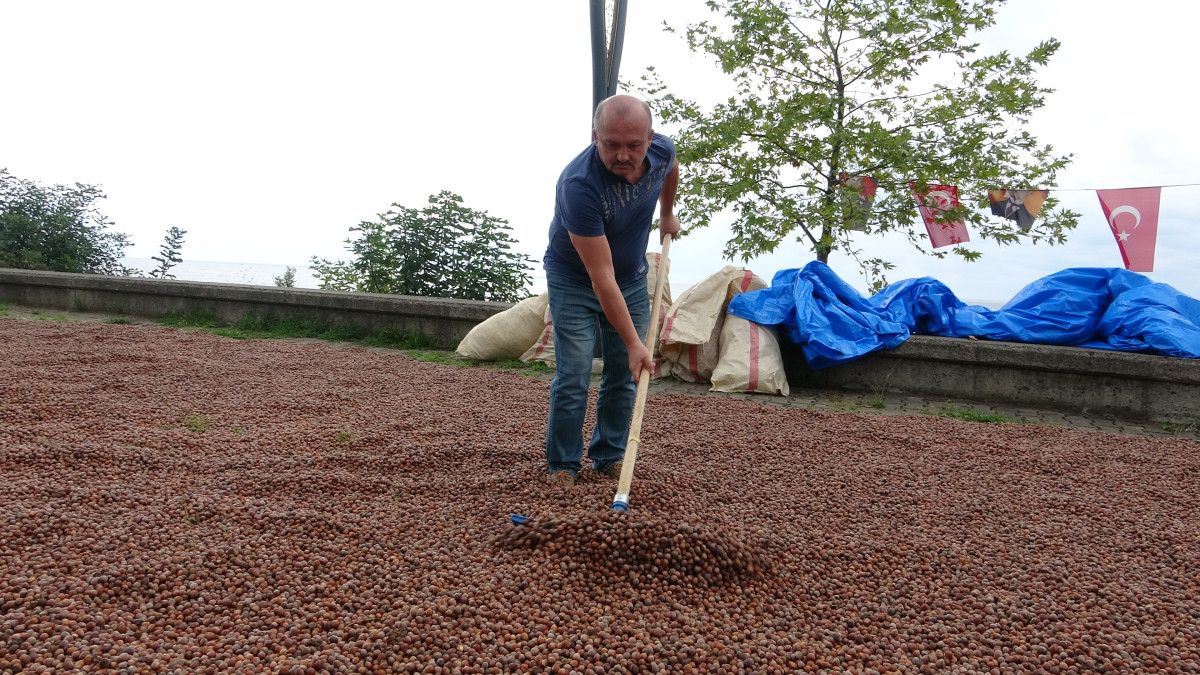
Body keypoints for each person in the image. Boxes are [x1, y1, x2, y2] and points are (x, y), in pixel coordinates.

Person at [541, 94, 680, 487]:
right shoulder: (579, 186)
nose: (623, 155)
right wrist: (636, 341)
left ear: (649, 138)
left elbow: (671, 170)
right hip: (575, 280)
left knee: (624, 373)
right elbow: (601, 279)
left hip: (631, 277)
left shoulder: (662, 150)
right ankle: (563, 465)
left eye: (633, 145)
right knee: (574, 374)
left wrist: (667, 213)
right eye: (611, 144)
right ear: (594, 136)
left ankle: (609, 455)